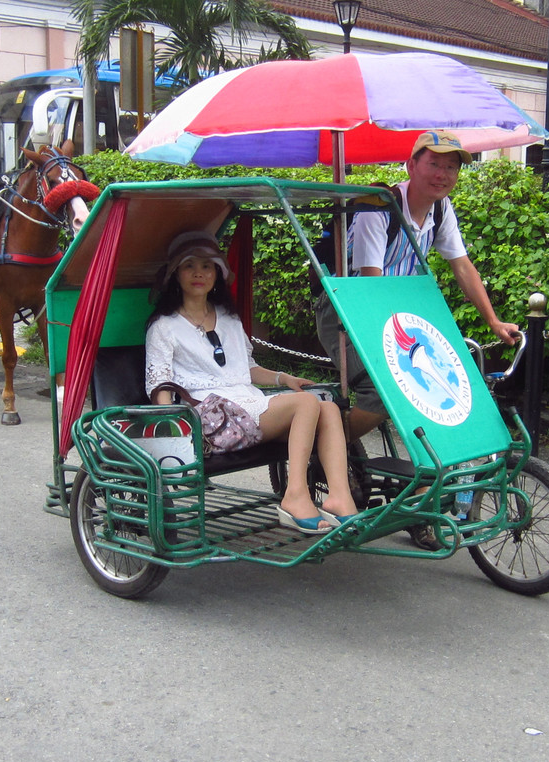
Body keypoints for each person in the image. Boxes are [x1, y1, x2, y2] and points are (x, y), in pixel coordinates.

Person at [314, 130, 520, 549]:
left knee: (441, 394)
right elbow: (370, 283)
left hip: (398, 319)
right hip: (348, 313)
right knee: (382, 393)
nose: (443, 174)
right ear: (411, 165)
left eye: (452, 166)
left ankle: (418, 506)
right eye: (434, 163)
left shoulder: (442, 212)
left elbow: (462, 266)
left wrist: (495, 322)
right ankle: (328, 448)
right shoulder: (378, 209)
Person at [146, 231, 359, 535]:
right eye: (188, 266)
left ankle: (340, 498)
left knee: (328, 408)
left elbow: (247, 368)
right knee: (307, 404)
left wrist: (283, 379)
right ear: (175, 274)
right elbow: (159, 384)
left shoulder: (229, 319)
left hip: (246, 404)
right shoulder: (164, 327)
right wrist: (168, 430)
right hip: (208, 419)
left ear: (217, 273)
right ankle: (296, 495)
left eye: (207, 266)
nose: (198, 273)